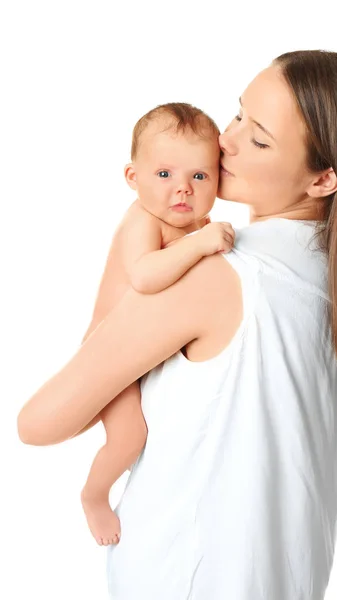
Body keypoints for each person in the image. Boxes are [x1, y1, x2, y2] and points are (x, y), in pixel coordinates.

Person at [17, 49, 337, 600]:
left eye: (260, 139)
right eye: (237, 114)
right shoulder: (330, 275)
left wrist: (131, 243)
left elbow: (39, 422)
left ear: (323, 179)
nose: (226, 141)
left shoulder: (221, 275)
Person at [78, 102, 236, 547]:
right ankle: (93, 496)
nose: (182, 190)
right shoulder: (143, 219)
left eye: (199, 177)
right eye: (164, 175)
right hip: (112, 351)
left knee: (167, 435)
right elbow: (146, 276)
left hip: (151, 349)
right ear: (134, 178)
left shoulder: (191, 224)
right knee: (130, 436)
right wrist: (202, 243)